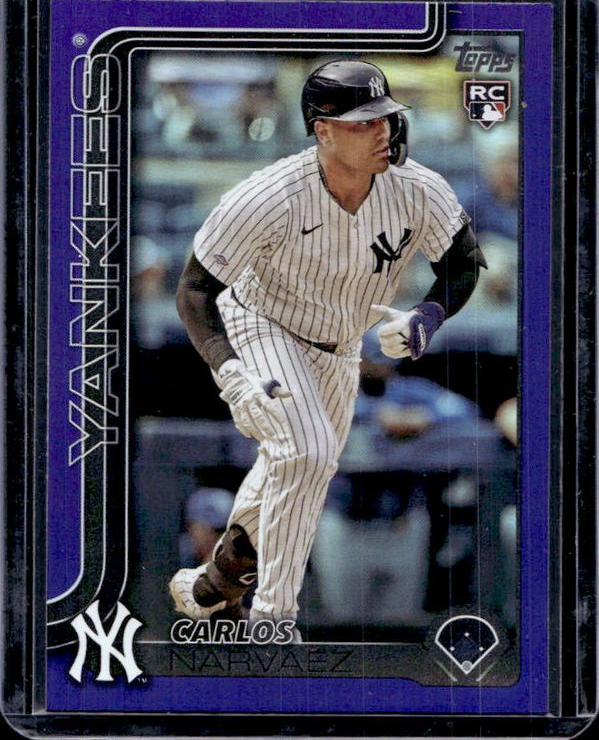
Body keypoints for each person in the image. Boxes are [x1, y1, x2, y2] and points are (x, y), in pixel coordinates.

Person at [168, 59, 487, 638]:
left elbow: (462, 264)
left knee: (293, 464)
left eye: (385, 118)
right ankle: (273, 617)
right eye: (363, 123)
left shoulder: (418, 188)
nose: (382, 131)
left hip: (341, 346)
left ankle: (212, 585)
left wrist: (427, 315)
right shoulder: (269, 195)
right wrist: (229, 369)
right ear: (323, 129)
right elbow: (194, 289)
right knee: (309, 452)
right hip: (263, 325)